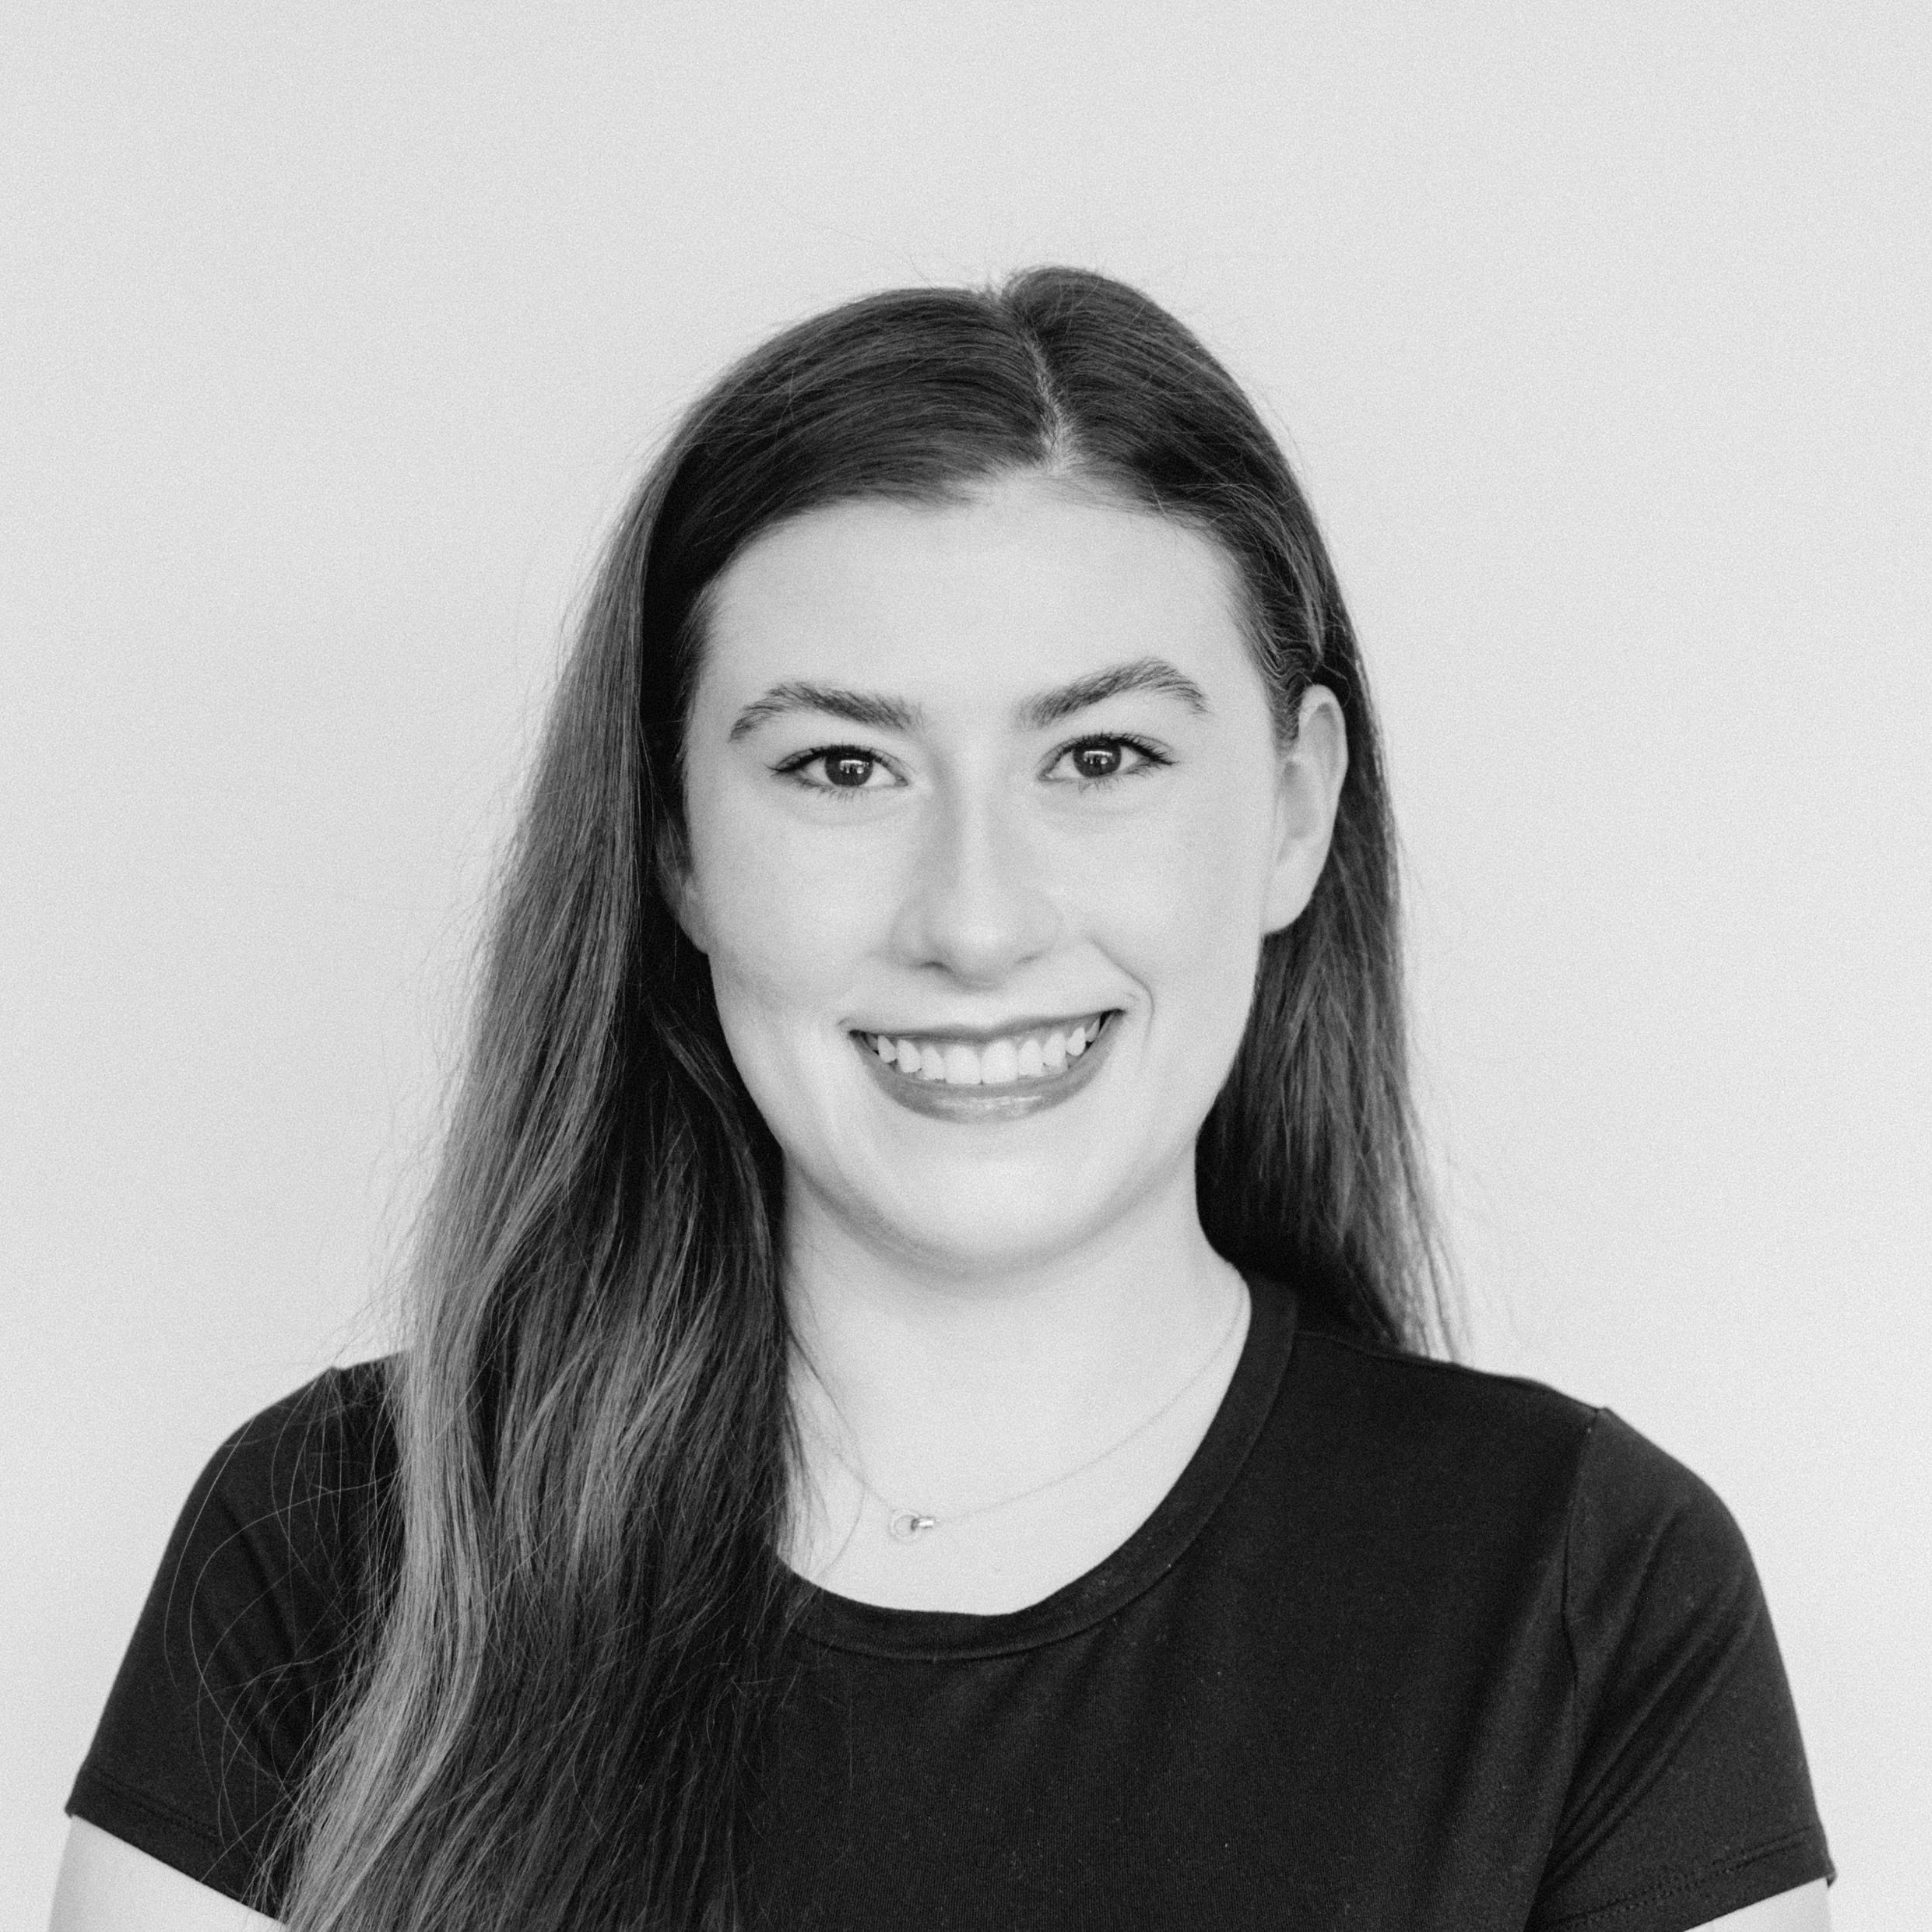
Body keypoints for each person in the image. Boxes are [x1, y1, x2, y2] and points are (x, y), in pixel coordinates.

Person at [51, 268, 1833, 1932]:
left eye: (1100, 758)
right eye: (842, 765)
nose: (973, 918)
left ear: (1290, 809)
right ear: (672, 839)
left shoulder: (1582, 1599)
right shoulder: (333, 1545)